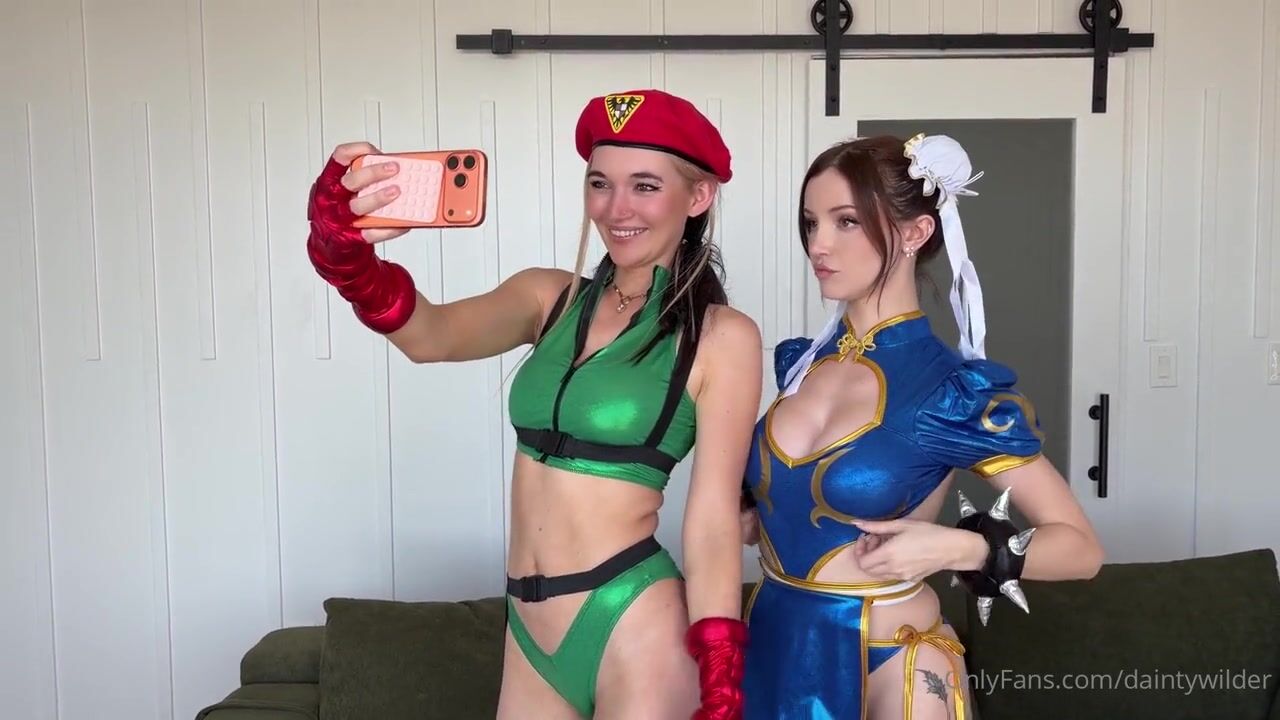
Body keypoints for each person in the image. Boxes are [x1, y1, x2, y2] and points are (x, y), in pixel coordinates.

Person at [305, 89, 761, 719]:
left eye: (645, 186)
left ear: (699, 196)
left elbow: (712, 519)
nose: (616, 208)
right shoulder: (548, 298)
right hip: (529, 625)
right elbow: (431, 337)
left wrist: (720, 664)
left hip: (632, 619)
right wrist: (349, 260)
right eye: (600, 183)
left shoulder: (721, 337)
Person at [737, 133, 1104, 719]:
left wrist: (959, 546)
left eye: (846, 221)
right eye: (811, 223)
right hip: (769, 648)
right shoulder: (802, 365)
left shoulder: (952, 392)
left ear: (915, 232)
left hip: (891, 664)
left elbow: (1081, 549)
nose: (818, 244)